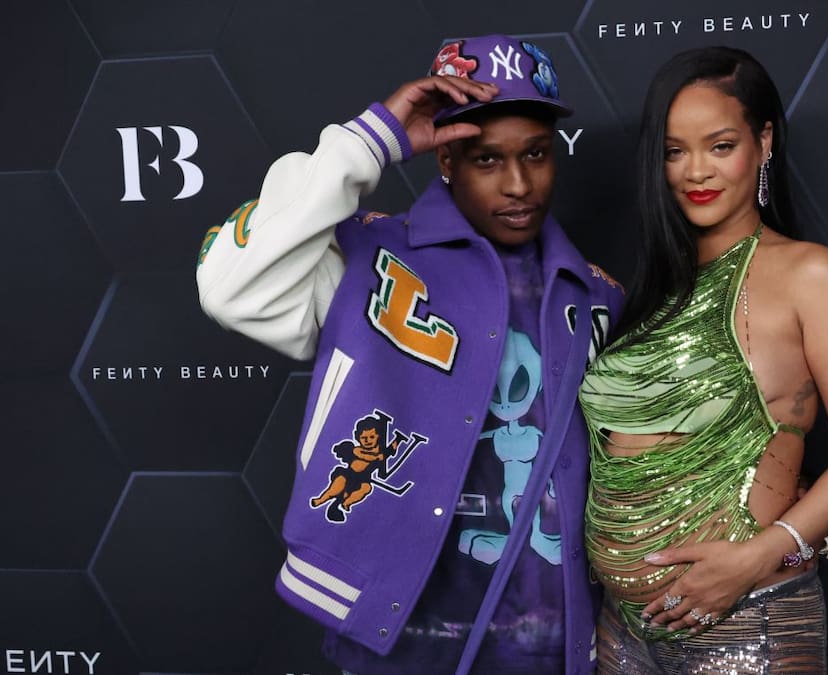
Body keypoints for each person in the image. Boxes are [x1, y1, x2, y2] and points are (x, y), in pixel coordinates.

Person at [196, 34, 623, 675]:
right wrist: (372, 142)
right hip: (397, 630)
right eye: (487, 159)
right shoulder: (368, 254)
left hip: (550, 638)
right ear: (446, 159)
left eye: (536, 154)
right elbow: (231, 288)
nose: (518, 185)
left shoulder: (595, 295)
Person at [578, 46, 828, 673]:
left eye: (720, 146)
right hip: (621, 630)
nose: (696, 171)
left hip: (746, 623)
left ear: (763, 141)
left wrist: (758, 557)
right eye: (674, 151)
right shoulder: (654, 290)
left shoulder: (811, 275)